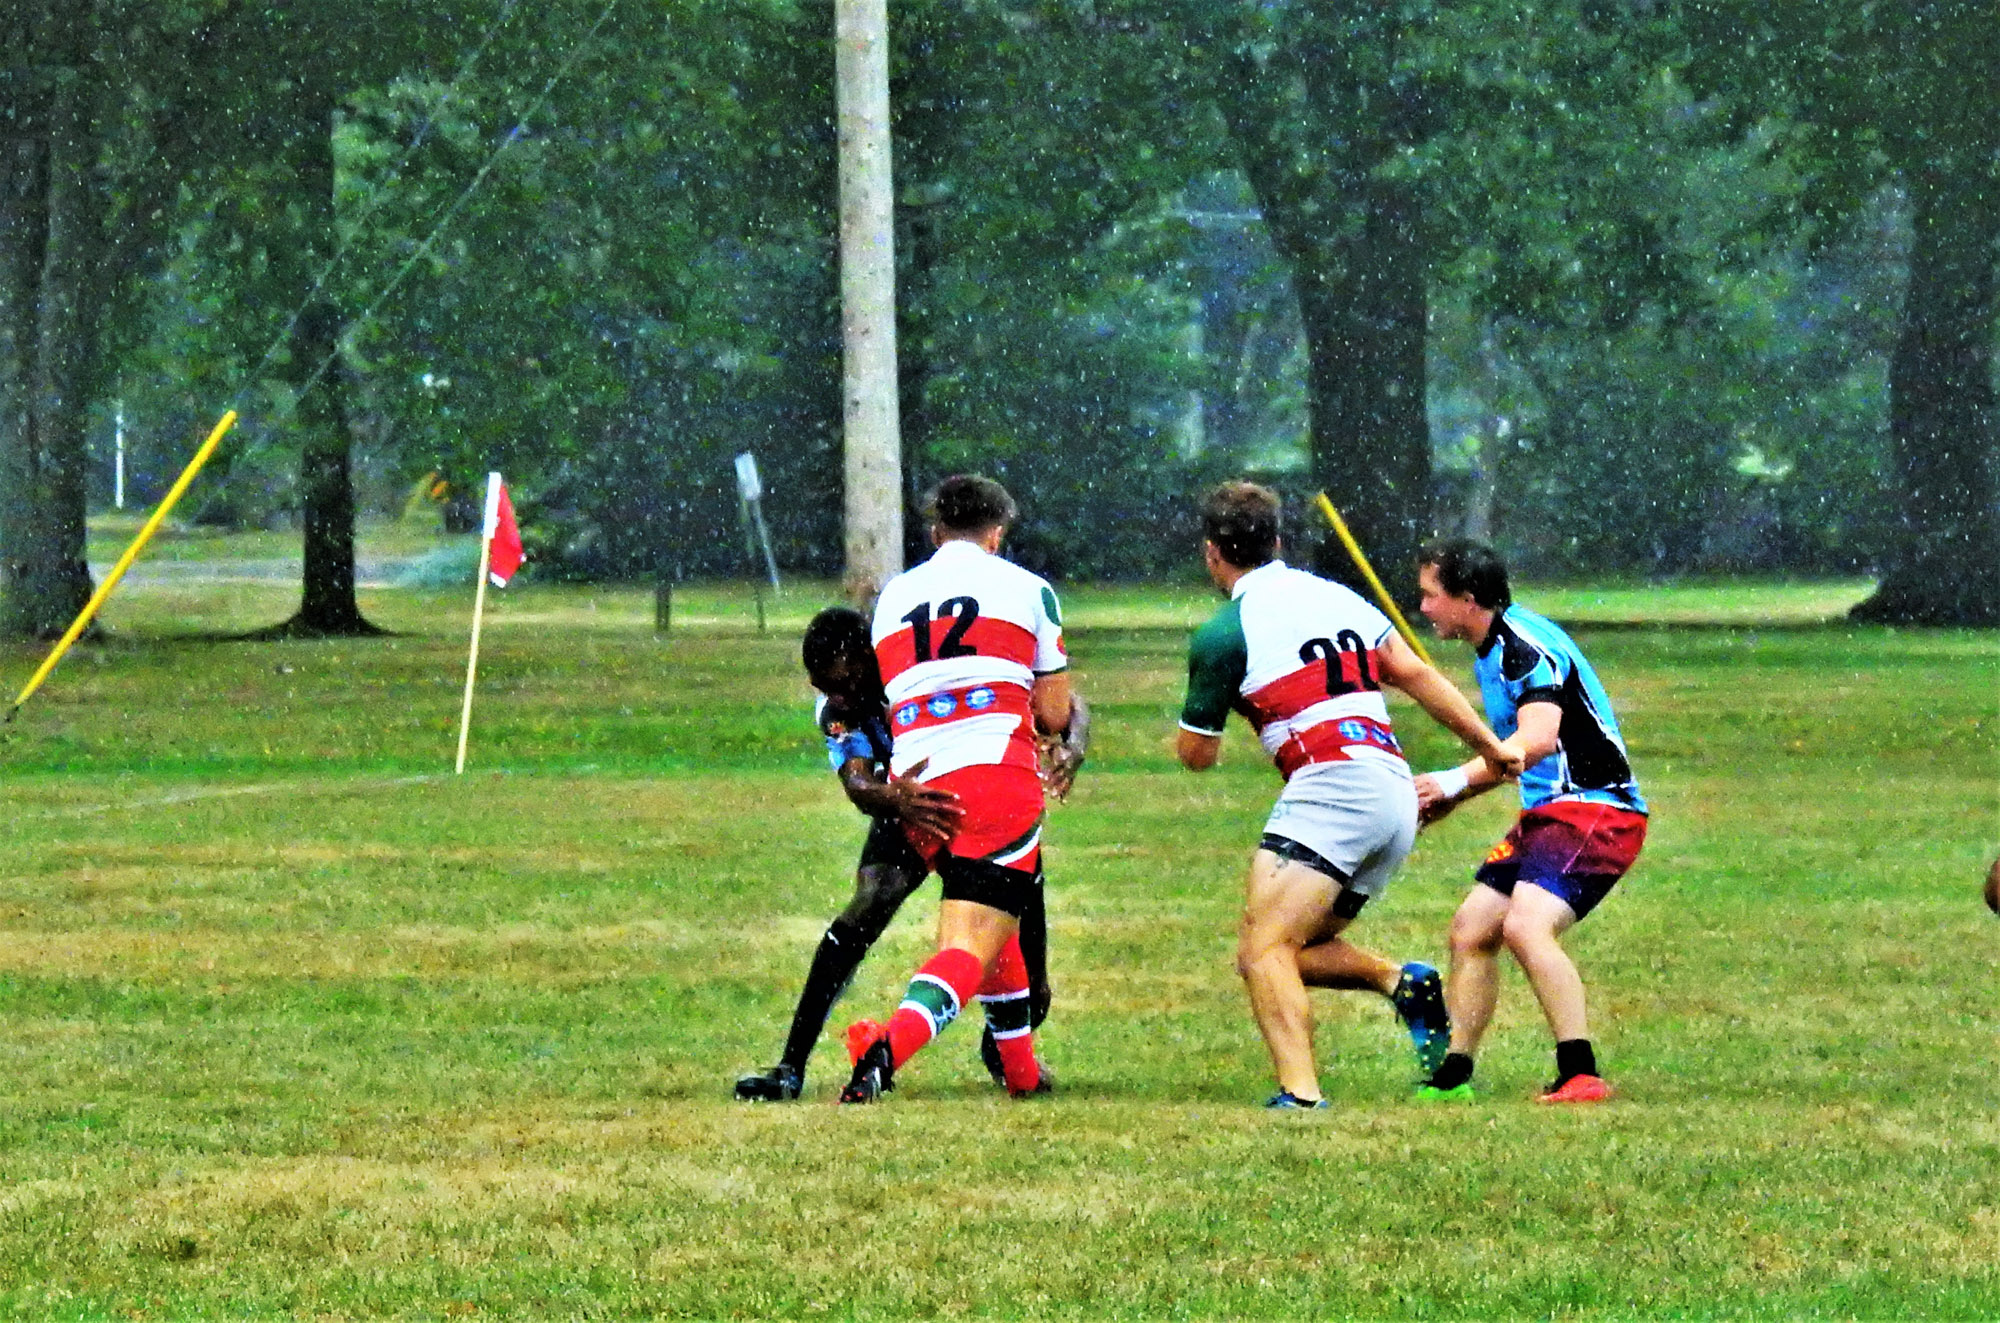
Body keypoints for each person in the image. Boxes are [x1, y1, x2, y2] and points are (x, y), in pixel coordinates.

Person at [1175, 482, 1522, 1109]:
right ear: (1277, 542)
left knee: (1264, 950)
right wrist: (1491, 747)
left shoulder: (1224, 634)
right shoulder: (1337, 597)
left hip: (1331, 787)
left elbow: (1197, 756)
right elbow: (1415, 674)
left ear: (1211, 553)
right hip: (1392, 789)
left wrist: (1218, 703)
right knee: (1292, 949)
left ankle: (1302, 1094)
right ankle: (1401, 982)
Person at [734, 606, 1081, 1101]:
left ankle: (1002, 1048)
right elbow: (857, 784)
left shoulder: (918, 663)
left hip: (980, 799)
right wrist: (895, 797)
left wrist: (1075, 743)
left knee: (1035, 982)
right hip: (907, 802)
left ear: (871, 655)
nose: (836, 698)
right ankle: (790, 1067)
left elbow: (1066, 703)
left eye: (845, 682)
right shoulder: (838, 710)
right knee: (870, 902)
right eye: (825, 688)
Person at [840, 475, 1074, 1104]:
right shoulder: (1028, 588)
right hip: (993, 776)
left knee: (996, 924)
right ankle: (884, 1052)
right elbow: (1053, 712)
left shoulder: (894, 595)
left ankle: (1023, 1074)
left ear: (936, 531)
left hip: (914, 785)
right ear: (996, 533)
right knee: (968, 945)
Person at [1412, 536, 1649, 1104]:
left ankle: (1580, 1074)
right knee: (1472, 930)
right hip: (1549, 813)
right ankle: (1454, 1076)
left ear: (1468, 599)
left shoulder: (1523, 648)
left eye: (1430, 595)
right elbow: (1512, 756)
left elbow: (1536, 739)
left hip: (1596, 809)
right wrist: (1449, 801)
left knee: (1525, 927)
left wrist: (1451, 780)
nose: (1422, 607)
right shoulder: (1494, 647)